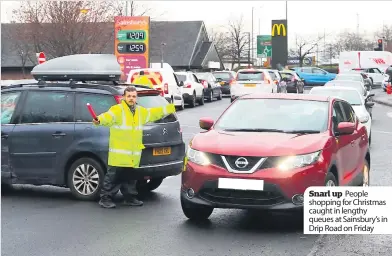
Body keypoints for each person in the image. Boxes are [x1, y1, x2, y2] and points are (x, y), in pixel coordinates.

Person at [93, 86, 176, 208]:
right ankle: (105, 199)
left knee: (130, 178)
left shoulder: (140, 111)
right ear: (124, 97)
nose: (131, 99)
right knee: (113, 177)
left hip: (132, 154)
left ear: (136, 97)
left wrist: (170, 107)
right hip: (119, 154)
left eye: (133, 96)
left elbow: (154, 113)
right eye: (129, 96)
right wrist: (99, 120)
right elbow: (108, 117)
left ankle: (130, 197)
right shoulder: (118, 110)